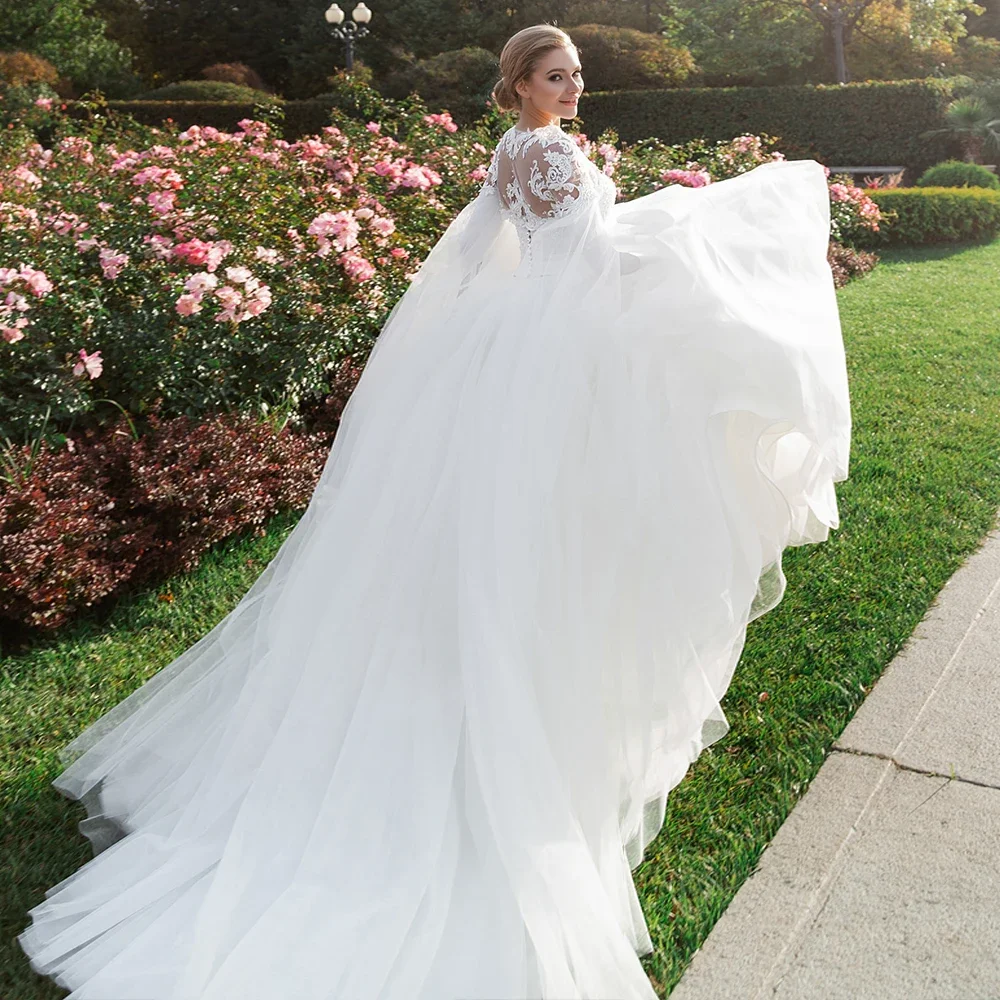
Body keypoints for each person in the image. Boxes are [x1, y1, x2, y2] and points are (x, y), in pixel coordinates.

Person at [18, 22, 851, 1000]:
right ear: (520, 85)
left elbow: (481, 264)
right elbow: (590, 263)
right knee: (527, 543)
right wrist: (706, 239)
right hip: (547, 364)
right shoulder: (541, 150)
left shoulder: (515, 151)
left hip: (515, 355)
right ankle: (491, 738)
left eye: (577, 73)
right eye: (554, 74)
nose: (572, 85)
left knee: (469, 545)